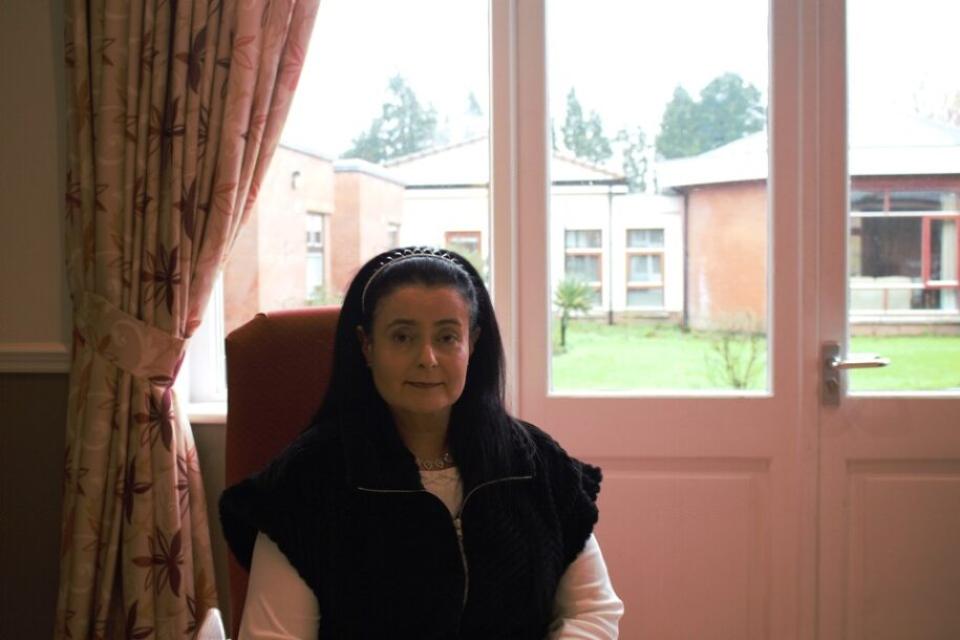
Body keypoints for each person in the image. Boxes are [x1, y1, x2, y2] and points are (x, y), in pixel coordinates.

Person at [219, 246, 623, 639]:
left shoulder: (534, 462)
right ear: (367, 346)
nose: (427, 358)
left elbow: (592, 609)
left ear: (473, 343)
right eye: (402, 337)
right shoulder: (306, 482)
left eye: (447, 337)